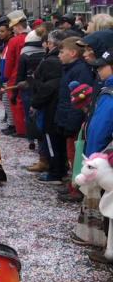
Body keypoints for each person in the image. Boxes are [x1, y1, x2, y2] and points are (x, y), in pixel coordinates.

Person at [38, 37, 95, 185]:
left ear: (73, 53)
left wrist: (70, 124)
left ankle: (77, 186)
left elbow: (78, 101)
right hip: (65, 118)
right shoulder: (70, 69)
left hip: (73, 122)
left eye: (62, 52)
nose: (59, 55)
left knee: (75, 154)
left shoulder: (79, 70)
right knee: (70, 152)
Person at [26, 30, 68, 173]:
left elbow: (46, 84)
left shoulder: (51, 61)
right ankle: (56, 165)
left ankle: (54, 170)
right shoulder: (52, 58)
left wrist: (36, 100)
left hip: (49, 104)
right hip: (51, 102)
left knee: (49, 136)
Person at [13, 28, 46, 151]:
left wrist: (15, 92)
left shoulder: (24, 55)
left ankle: (31, 140)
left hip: (27, 88)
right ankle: (42, 141)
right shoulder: (45, 54)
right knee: (42, 114)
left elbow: (19, 76)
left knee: (28, 115)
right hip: (42, 88)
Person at [4, 14, 29, 138]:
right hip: (30, 74)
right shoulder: (32, 37)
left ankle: (21, 129)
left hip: (15, 74)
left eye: (13, 28)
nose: (12, 30)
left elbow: (10, 60)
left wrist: (6, 75)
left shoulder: (14, 40)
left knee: (16, 102)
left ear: (18, 27)